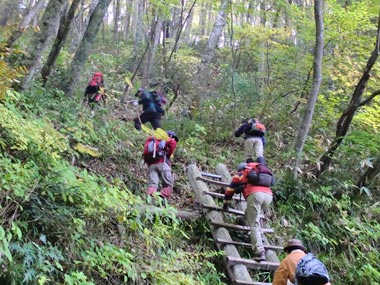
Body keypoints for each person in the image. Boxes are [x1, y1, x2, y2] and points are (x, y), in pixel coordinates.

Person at [223, 161, 273, 261]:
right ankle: (257, 234)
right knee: (253, 217)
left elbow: (230, 189)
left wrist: (226, 203)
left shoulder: (241, 174)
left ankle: (259, 252)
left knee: (254, 223)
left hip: (255, 195)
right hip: (268, 196)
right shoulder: (259, 173)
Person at [143, 130, 179, 199]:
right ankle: (162, 197)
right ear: (170, 136)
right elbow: (173, 144)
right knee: (168, 184)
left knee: (153, 184)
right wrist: (169, 153)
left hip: (151, 165)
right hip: (162, 164)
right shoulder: (166, 139)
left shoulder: (152, 140)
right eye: (173, 137)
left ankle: (150, 198)